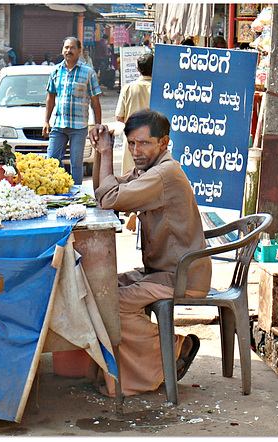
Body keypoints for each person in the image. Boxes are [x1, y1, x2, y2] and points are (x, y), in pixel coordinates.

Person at [88, 109, 211, 398]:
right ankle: (154, 358)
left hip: (181, 277)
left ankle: (176, 349)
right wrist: (99, 152)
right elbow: (104, 191)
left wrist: (107, 153)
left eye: (143, 143)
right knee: (99, 290)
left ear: (164, 142)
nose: (136, 151)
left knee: (112, 303)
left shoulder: (163, 173)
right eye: (131, 143)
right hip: (160, 272)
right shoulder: (148, 170)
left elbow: (109, 199)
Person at [43, 36, 102, 185]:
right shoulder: (56, 71)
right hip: (58, 124)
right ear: (62, 50)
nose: (69, 51)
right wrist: (46, 121)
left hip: (79, 126)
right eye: (66, 48)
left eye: (72, 48)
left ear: (79, 51)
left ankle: (76, 194)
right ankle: (57, 188)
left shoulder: (88, 73)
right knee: (52, 160)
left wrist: (97, 125)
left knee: (76, 163)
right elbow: (50, 97)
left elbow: (95, 101)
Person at [115, 52, 153, 175]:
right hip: (153, 138)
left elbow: (119, 116)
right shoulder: (161, 89)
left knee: (130, 176)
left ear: (137, 69)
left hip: (132, 138)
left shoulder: (128, 88)